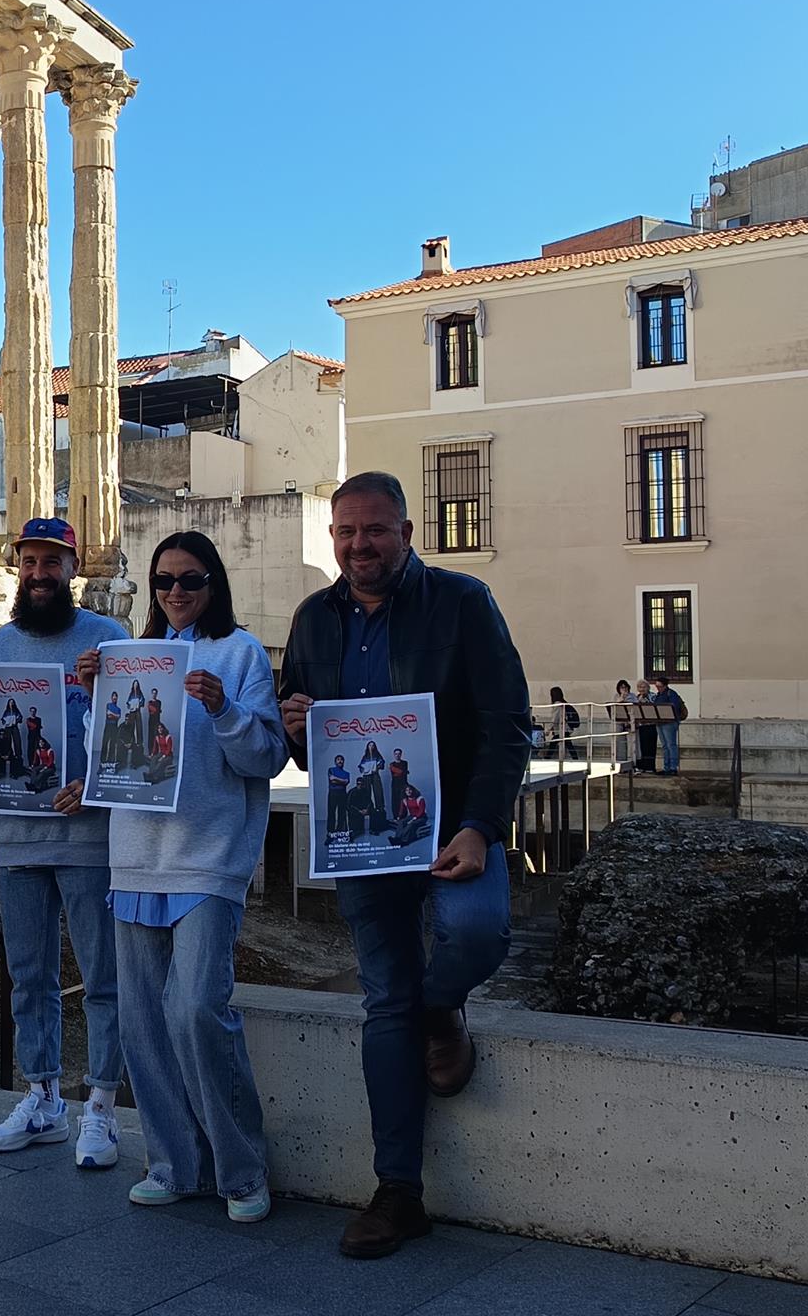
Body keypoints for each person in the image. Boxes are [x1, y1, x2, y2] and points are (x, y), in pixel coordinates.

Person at [277, 472, 529, 1259]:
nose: (360, 546)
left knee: (477, 933)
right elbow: (309, 742)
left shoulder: (463, 602)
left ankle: (439, 1008)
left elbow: (508, 724)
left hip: (451, 828)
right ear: (333, 540)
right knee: (382, 1000)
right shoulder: (313, 619)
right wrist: (295, 726)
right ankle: (398, 1193)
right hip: (364, 842)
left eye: (375, 531)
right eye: (346, 533)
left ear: (407, 532)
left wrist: (482, 827)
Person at [78, 529, 288, 1223]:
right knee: (142, 1021)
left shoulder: (243, 653)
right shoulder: (128, 657)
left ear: (213, 584)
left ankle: (241, 1169)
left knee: (196, 1009)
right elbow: (102, 759)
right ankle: (173, 1162)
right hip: (135, 856)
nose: (175, 593)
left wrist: (224, 708)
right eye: (164, 580)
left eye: (190, 581)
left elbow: (265, 758)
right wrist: (92, 695)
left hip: (208, 858)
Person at [0, 518, 129, 1167]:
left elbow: (138, 734)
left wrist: (98, 784)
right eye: (30, 561)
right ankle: (44, 1097)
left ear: (72, 567)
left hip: (89, 840)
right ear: (17, 567)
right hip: (18, 841)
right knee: (29, 979)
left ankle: (101, 1108)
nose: (40, 573)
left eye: (53, 562)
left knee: (104, 979)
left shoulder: (109, 641)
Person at [651, 677, 685, 772]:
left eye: (660, 686)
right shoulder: (659, 695)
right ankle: (666, 767)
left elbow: (675, 706)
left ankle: (673, 768)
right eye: (656, 686)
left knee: (671, 745)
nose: (658, 688)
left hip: (669, 722)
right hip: (660, 722)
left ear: (665, 685)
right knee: (664, 746)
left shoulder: (671, 694)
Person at [633, 679, 656, 772]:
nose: (642, 689)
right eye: (640, 687)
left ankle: (650, 767)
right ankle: (642, 766)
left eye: (643, 687)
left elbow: (654, 706)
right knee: (642, 746)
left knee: (650, 746)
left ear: (648, 688)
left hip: (651, 724)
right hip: (641, 725)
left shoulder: (653, 696)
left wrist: (645, 699)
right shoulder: (637, 697)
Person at [326, 754, 350, 839]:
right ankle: (330, 831)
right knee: (331, 812)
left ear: (343, 762)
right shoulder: (331, 770)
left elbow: (346, 782)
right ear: (335, 762)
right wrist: (342, 781)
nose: (340, 761)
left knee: (342, 813)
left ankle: (339, 830)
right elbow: (332, 780)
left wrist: (337, 779)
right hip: (333, 793)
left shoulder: (346, 773)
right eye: (338, 760)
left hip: (343, 794)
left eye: (341, 760)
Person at [388, 749, 411, 821]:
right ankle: (396, 817)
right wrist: (403, 772)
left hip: (403, 784)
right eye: (396, 754)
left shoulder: (405, 763)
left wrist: (400, 772)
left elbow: (401, 772)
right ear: (394, 755)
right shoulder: (391, 764)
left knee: (403, 800)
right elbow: (402, 772)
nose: (397, 755)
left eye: (399, 754)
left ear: (401, 754)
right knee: (395, 801)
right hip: (395, 785)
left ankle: (403, 817)